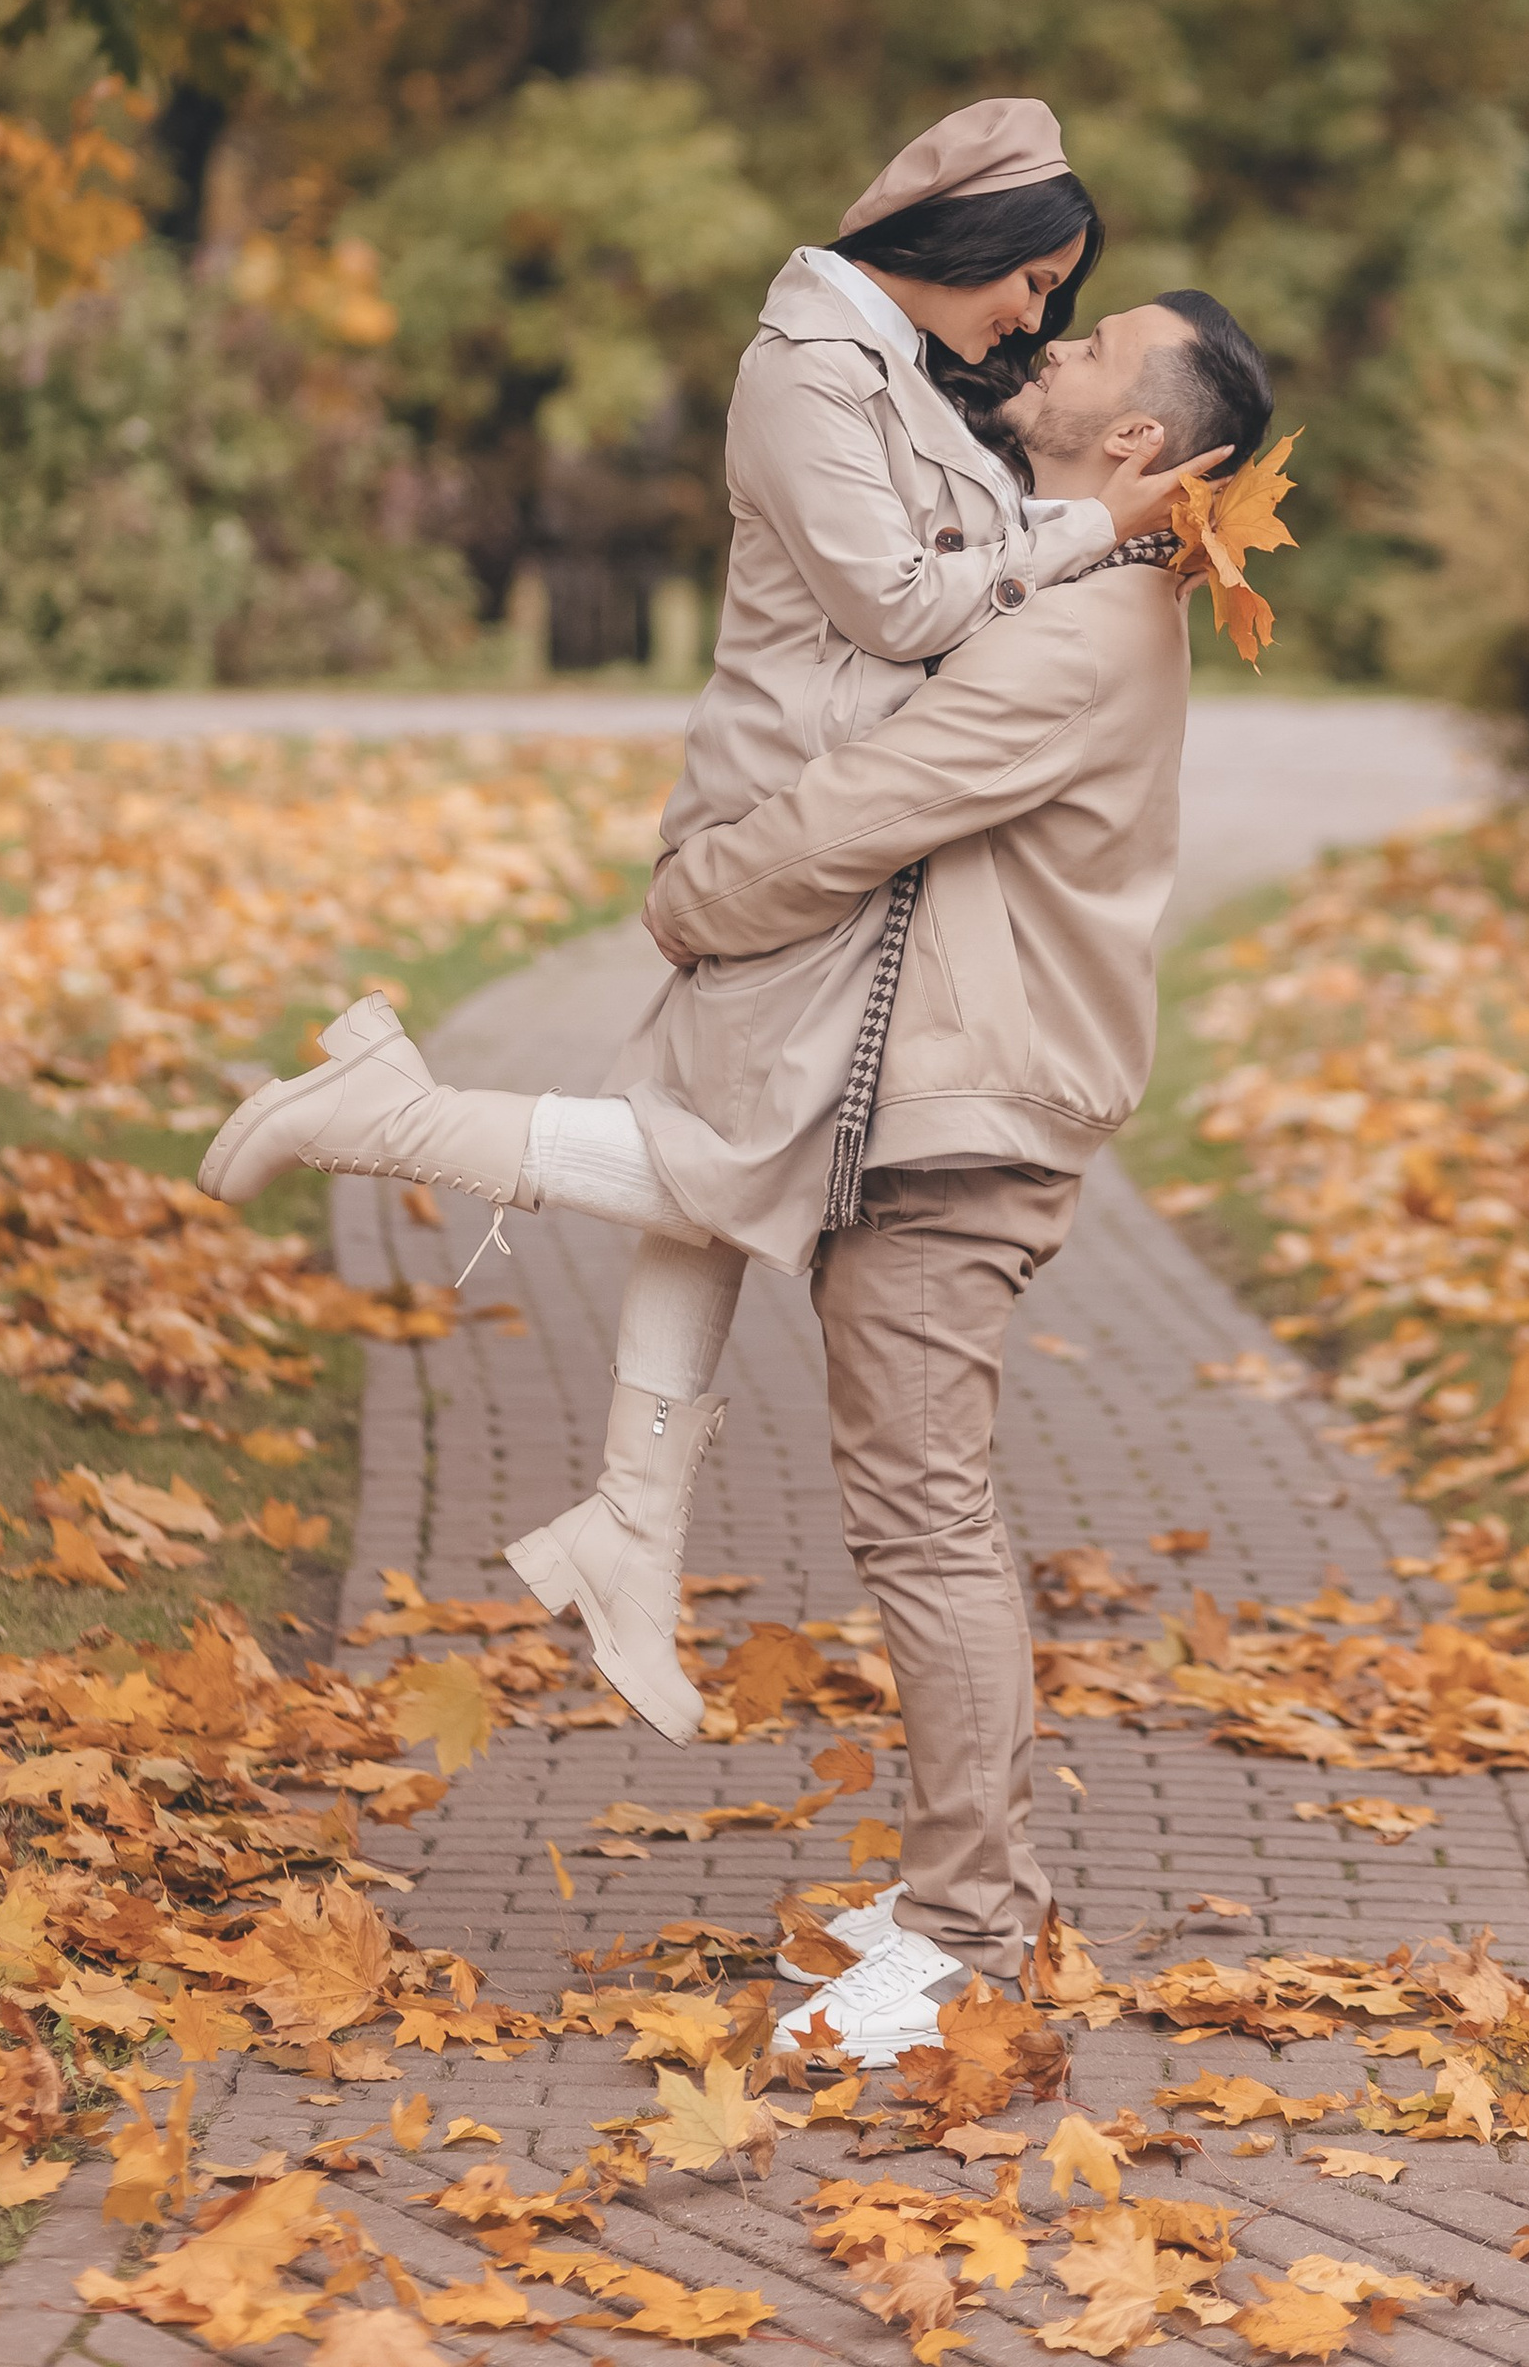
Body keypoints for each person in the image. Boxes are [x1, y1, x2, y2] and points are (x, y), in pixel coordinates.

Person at [198, 100, 1209, 1734]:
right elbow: (899, 599)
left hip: (833, 824)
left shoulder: (899, 378)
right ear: (949, 242)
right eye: (1030, 277)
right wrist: (1103, 526)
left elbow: (979, 550)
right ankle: (391, 1111)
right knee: (748, 1163)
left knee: (720, 1155)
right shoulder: (805, 366)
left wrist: (1080, 531)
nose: (1039, 317)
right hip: (783, 812)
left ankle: (631, 1526)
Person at [637, 287, 1277, 2068]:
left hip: (966, 1122)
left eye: (1088, 353)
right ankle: (985, 1883)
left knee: (926, 1519)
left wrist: (691, 898)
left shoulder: (1085, 635)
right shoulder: (1075, 588)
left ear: (1136, 443)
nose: (1051, 353)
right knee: (938, 1510)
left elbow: (870, 803)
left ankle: (971, 1924)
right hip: (948, 1105)